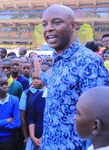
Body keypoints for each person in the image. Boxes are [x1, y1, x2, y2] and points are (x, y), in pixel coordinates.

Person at [37, 5, 109, 149]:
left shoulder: (88, 61)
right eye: (45, 24)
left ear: (73, 26)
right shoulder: (58, 59)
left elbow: (101, 117)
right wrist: (40, 75)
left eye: (56, 22)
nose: (48, 28)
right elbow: (64, 89)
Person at [19, 73, 44, 146]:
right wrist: (26, 137)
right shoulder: (26, 93)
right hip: (31, 132)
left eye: (39, 78)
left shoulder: (48, 92)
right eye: (34, 79)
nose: (36, 81)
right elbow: (22, 117)